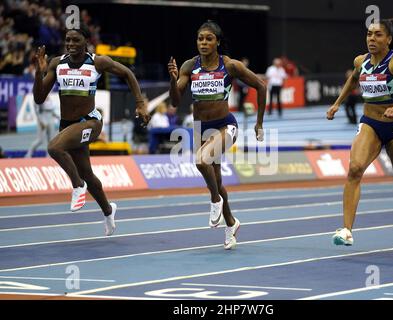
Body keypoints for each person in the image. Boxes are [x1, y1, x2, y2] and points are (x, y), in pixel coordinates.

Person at [32, 25, 150, 236]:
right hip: (68, 126)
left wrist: (140, 103)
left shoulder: (98, 62)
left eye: (76, 40)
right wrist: (38, 73)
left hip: (90, 122)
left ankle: (77, 186)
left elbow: (128, 74)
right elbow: (39, 98)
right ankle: (108, 210)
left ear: (86, 41)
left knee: (54, 147)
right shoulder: (57, 64)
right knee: (88, 173)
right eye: (68, 40)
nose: (71, 44)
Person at [326, 19, 393, 246]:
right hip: (370, 124)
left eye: (378, 35)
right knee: (354, 169)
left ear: (389, 39)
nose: (372, 39)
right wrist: (337, 103)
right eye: (369, 34)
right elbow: (353, 80)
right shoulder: (360, 61)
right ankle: (346, 230)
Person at [168, 20, 266, 250]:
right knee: (218, 181)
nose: (203, 42)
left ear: (217, 42)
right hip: (201, 128)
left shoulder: (230, 66)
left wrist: (259, 123)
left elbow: (260, 86)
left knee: (201, 161)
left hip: (225, 126)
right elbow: (174, 101)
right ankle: (231, 223)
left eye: (209, 38)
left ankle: (215, 201)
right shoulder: (189, 66)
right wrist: (173, 81)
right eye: (200, 38)